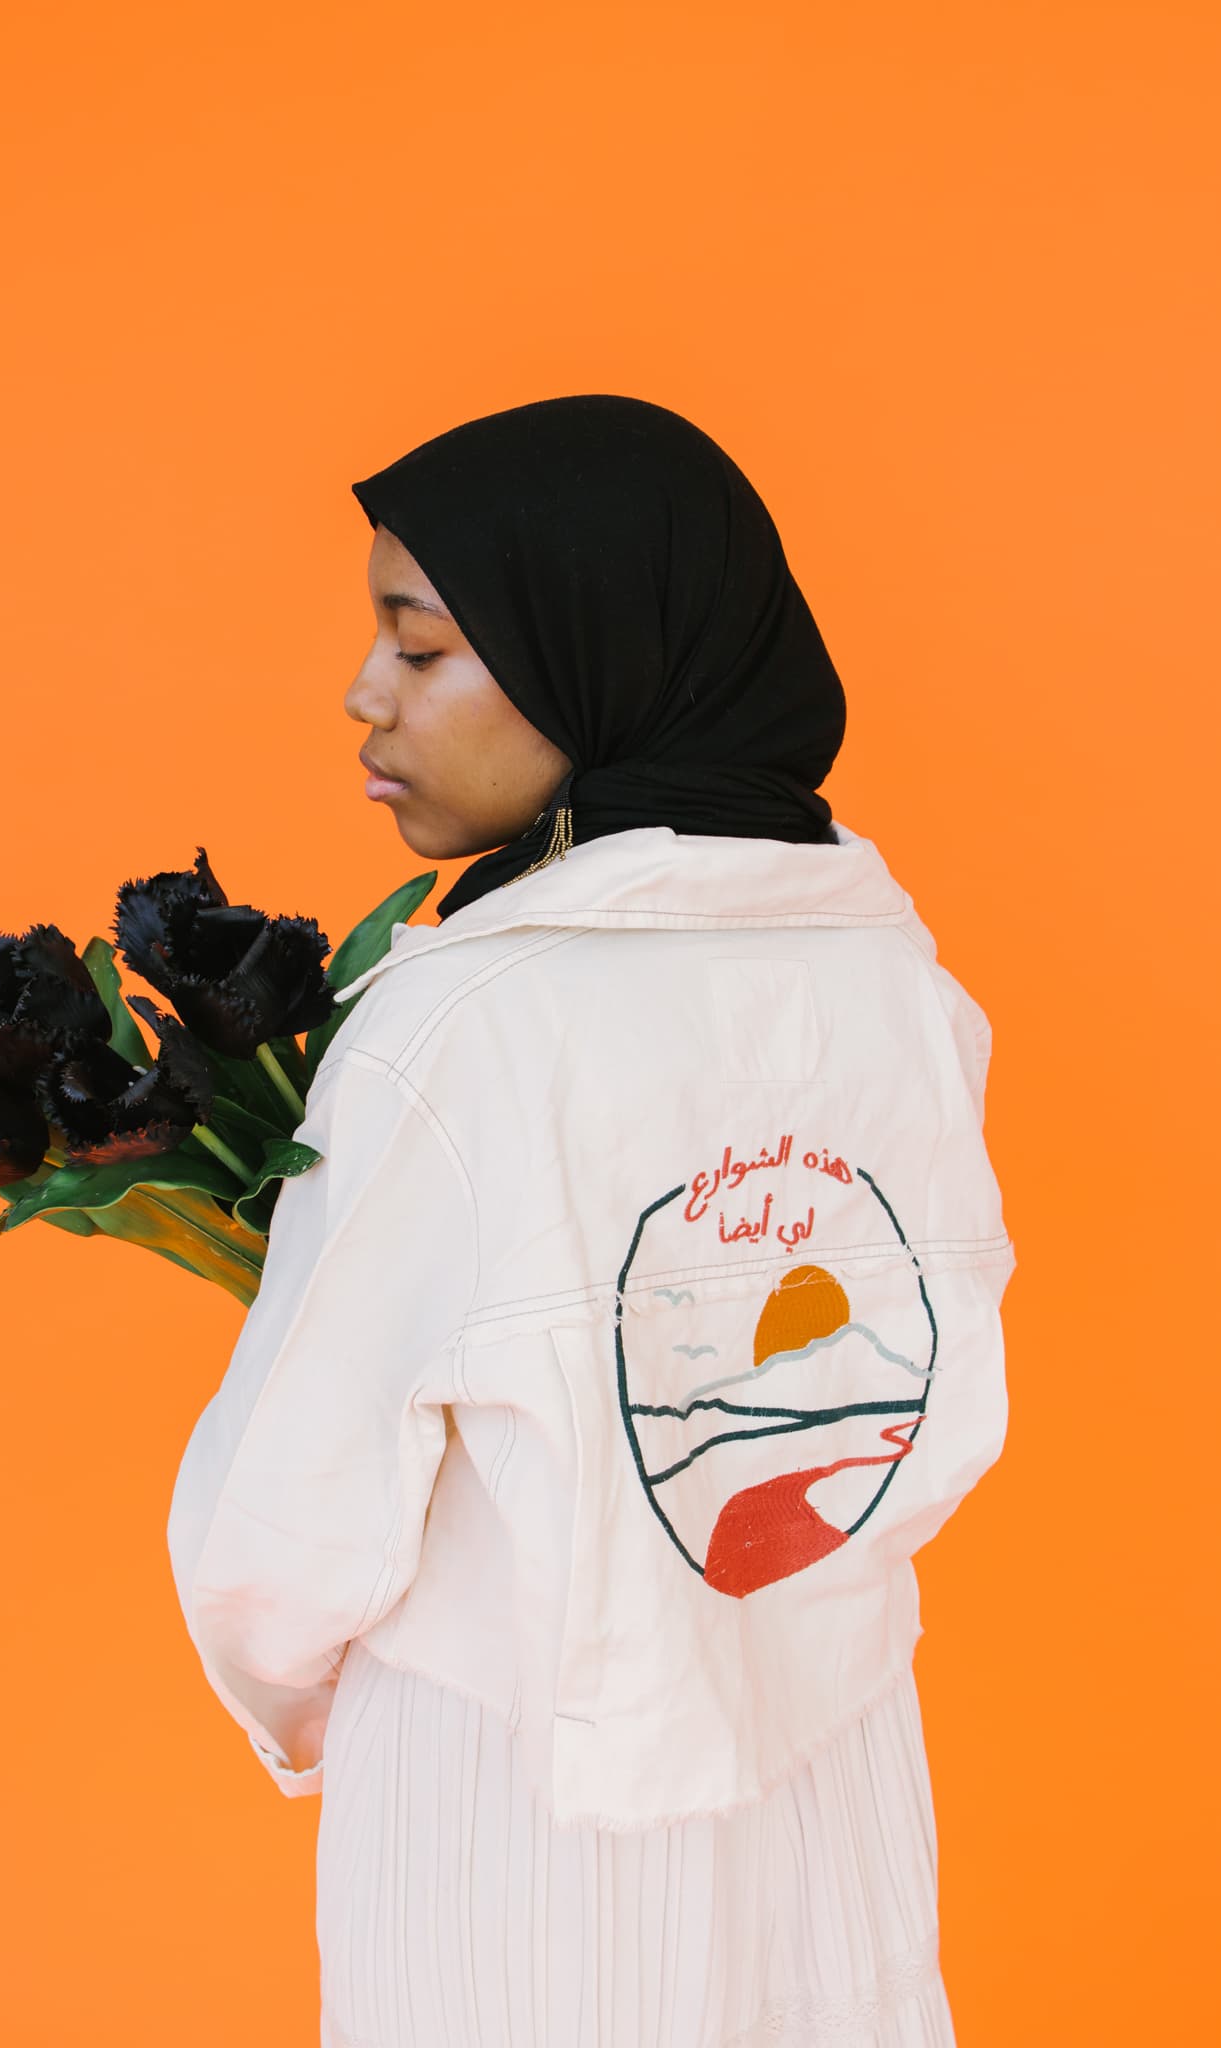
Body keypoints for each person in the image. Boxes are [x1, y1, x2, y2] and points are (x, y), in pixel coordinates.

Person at [167, 394, 1015, 2048]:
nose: (362, 695)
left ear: (589, 656)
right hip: (820, 1731)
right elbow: (925, 1409)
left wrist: (305, 1712)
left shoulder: (457, 1029)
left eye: (418, 649)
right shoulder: (903, 990)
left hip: (515, 1781)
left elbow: (289, 1526)